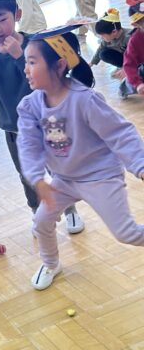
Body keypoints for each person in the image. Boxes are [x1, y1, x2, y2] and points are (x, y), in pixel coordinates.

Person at [17, 24, 144, 290]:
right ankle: (51, 263)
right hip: (64, 179)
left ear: (59, 65)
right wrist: (37, 178)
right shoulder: (30, 106)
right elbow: (28, 145)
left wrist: (140, 164)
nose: (26, 69)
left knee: (127, 233)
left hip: (100, 176)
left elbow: (120, 133)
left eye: (32, 62)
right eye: (26, 62)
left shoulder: (85, 100)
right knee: (41, 221)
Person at [0, 0, 84, 234]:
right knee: (27, 174)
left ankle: (70, 210)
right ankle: (38, 214)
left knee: (58, 167)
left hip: (46, 120)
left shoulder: (35, 44)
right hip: (14, 127)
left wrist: (18, 57)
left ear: (17, 14)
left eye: (3, 19)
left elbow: (43, 83)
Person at [90, 9, 132, 79]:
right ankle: (123, 67)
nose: (101, 38)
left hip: (136, 59)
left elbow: (135, 56)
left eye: (103, 35)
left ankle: (129, 69)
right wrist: (92, 63)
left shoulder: (128, 37)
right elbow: (100, 48)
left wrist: (126, 68)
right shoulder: (108, 39)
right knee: (103, 53)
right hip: (124, 57)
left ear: (114, 32)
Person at [123, 0, 144, 97]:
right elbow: (129, 64)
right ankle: (124, 87)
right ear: (136, 24)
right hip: (141, 68)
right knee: (130, 82)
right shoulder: (135, 40)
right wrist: (138, 83)